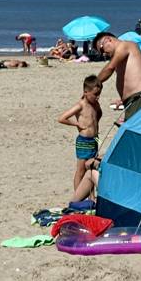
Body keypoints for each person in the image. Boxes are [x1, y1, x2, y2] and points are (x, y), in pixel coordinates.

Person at [58, 75, 103, 205]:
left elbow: (97, 115)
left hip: (94, 139)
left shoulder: (96, 104)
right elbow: (62, 118)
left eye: (99, 94)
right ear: (86, 92)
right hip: (83, 141)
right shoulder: (81, 105)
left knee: (91, 167)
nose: (97, 97)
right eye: (95, 94)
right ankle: (78, 195)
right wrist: (76, 124)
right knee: (81, 169)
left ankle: (91, 197)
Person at [92, 31, 141, 121]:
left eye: (102, 49)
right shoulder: (120, 57)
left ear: (108, 40)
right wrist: (124, 100)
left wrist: (93, 84)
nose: (104, 54)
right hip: (133, 101)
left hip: (140, 99)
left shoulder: (125, 45)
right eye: (101, 54)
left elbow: (109, 68)